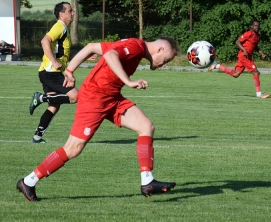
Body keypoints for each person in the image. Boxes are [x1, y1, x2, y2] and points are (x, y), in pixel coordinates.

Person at [16, 36, 180, 201]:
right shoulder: (135, 46)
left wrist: (70, 71)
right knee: (73, 149)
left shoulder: (132, 46)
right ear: (160, 50)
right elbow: (110, 56)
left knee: (146, 127)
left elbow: (91, 47)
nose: (164, 64)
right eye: (166, 60)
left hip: (112, 98)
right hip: (93, 99)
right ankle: (28, 181)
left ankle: (147, 181)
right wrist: (128, 81)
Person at [29, 2, 79, 143]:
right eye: (70, 11)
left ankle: (37, 137)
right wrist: (54, 61)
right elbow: (44, 41)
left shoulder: (64, 29)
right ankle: (40, 98)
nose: (73, 13)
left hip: (48, 72)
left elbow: (65, 54)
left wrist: (84, 55)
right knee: (76, 97)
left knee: (54, 105)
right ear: (61, 14)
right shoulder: (59, 26)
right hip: (51, 72)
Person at [208, 19, 270, 98]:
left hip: (248, 56)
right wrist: (244, 50)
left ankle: (217, 66)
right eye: (255, 25)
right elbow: (237, 42)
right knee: (256, 72)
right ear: (251, 26)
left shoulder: (258, 36)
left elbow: (254, 46)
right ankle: (259, 94)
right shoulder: (248, 33)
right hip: (244, 56)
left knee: (236, 74)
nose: (257, 27)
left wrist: (261, 53)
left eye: (258, 26)